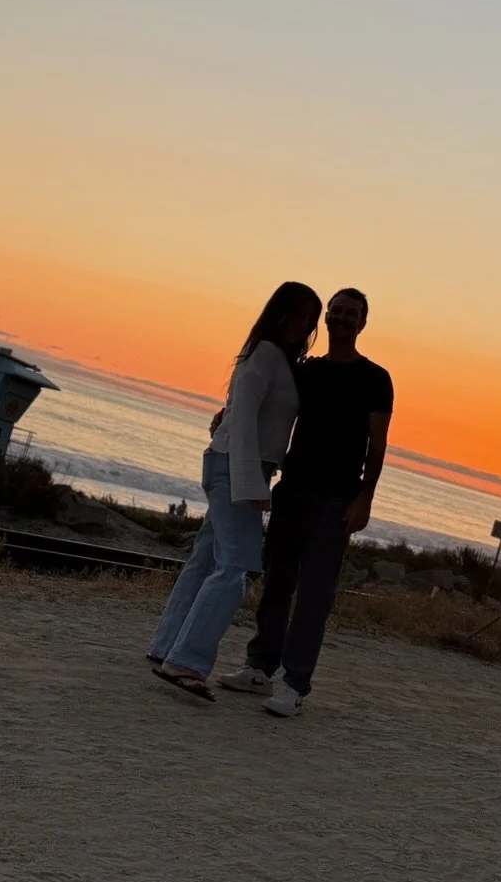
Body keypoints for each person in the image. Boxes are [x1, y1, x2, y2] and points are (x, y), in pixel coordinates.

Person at [220, 287, 393, 718]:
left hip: (336, 501)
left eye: (351, 313)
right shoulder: (306, 371)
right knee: (277, 582)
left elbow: (377, 446)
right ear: (326, 319)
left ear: (363, 322)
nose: (341, 318)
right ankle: (260, 667)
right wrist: (228, 414)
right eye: (335, 311)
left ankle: (294, 685)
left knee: (314, 595)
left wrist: (364, 499)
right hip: (293, 489)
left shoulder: (375, 379)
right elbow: (268, 403)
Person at [147, 282, 324, 701]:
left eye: (311, 320)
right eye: (300, 315)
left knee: (206, 558)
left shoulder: (275, 358)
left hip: (236, 464)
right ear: (279, 313)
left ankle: (165, 646)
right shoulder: (263, 354)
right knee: (237, 567)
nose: (306, 326)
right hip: (236, 468)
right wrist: (252, 486)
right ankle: (186, 662)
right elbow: (243, 422)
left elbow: (241, 414)